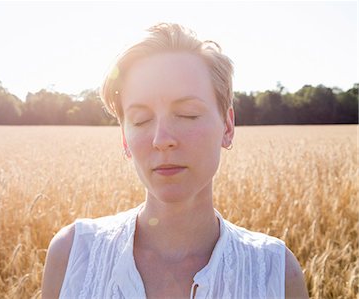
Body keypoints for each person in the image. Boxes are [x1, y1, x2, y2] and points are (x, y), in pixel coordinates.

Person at [42, 23, 309, 299]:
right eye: (141, 120)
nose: (161, 138)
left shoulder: (275, 272)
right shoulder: (73, 255)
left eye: (187, 114)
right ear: (125, 140)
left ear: (227, 127)